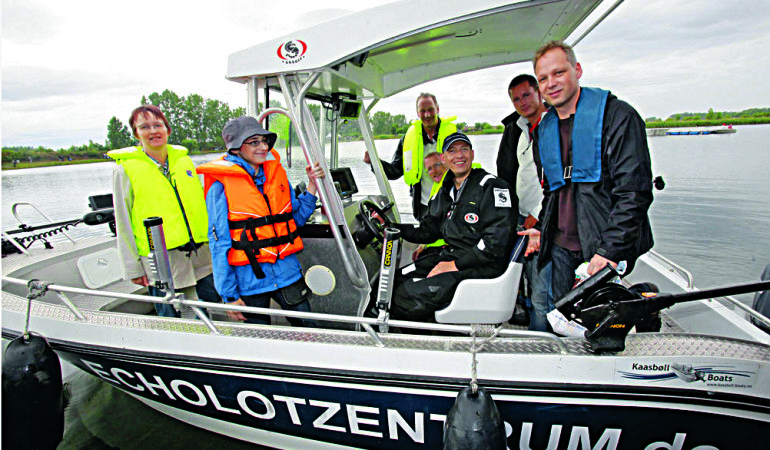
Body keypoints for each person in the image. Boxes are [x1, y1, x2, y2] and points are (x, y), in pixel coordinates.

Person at [520, 40, 654, 302]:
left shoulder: (619, 117)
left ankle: (642, 306)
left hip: (602, 247)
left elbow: (634, 194)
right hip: (560, 248)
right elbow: (552, 192)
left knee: (601, 328)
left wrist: (609, 252)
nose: (552, 83)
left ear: (577, 70)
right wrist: (542, 230)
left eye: (559, 73)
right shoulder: (544, 130)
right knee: (564, 319)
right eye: (543, 78)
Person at [198, 116, 324, 327]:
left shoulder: (277, 175)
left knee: (309, 329)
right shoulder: (220, 187)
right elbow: (219, 243)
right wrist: (228, 295)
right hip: (250, 281)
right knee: (258, 338)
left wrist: (312, 185)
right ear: (236, 148)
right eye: (254, 142)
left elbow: (296, 219)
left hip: (287, 273)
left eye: (265, 141)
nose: (263, 147)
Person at [386, 132, 515, 322]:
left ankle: (429, 341)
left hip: (480, 266)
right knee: (393, 281)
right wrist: (391, 227)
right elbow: (428, 230)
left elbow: (495, 244)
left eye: (464, 149)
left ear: (472, 154)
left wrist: (454, 265)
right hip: (453, 256)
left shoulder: (492, 187)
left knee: (406, 296)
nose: (459, 155)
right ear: (444, 158)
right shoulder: (446, 190)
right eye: (452, 151)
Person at [109, 105, 220, 318]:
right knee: (173, 316)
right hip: (162, 261)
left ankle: (207, 343)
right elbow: (122, 221)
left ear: (167, 130)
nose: (153, 131)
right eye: (145, 127)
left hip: (200, 255)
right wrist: (133, 268)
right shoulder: (125, 170)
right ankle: (179, 348)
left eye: (158, 125)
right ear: (136, 134)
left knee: (208, 306)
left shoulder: (184, 161)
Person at [497, 73, 553, 331]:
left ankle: (542, 340)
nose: (522, 102)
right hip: (521, 217)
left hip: (544, 221)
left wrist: (536, 215)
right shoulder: (519, 130)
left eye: (527, 95)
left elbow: (558, 180)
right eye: (516, 99)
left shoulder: (554, 126)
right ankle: (530, 322)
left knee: (542, 288)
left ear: (539, 92)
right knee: (524, 276)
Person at [363, 93, 457, 220]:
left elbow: (466, 170)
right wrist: (374, 162)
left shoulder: (454, 137)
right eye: (422, 111)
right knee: (426, 238)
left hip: (451, 203)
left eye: (430, 109)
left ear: (437, 109)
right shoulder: (407, 140)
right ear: (418, 113)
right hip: (424, 207)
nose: (427, 114)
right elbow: (395, 171)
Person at [410, 151, 448, 261]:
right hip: (436, 246)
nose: (434, 171)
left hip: (447, 250)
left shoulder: (453, 185)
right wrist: (423, 245)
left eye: (437, 165)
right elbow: (433, 224)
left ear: (445, 162)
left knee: (402, 276)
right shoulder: (436, 188)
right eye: (429, 169)